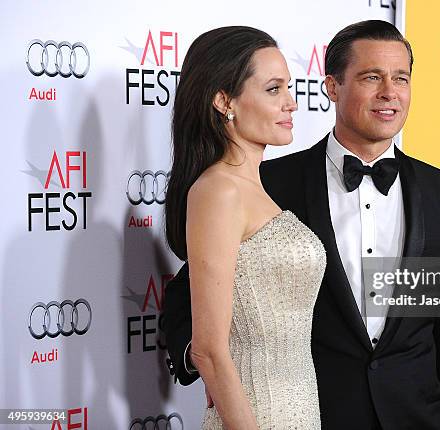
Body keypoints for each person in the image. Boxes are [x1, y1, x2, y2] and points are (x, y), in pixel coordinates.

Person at [163, 20, 440, 430]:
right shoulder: (270, 184)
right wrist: (211, 364)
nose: (389, 92)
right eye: (372, 77)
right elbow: (190, 293)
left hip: (419, 416)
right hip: (315, 412)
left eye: (401, 78)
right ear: (332, 87)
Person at [164, 26, 325, 429]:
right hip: (256, 416)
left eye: (289, 87)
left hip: (300, 410)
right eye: (273, 90)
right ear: (223, 101)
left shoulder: (257, 188)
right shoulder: (218, 191)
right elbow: (208, 349)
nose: (291, 103)